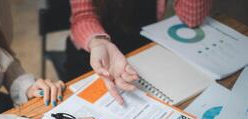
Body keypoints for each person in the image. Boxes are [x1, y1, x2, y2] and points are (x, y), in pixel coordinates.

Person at [63, 0, 213, 105]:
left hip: (142, 49)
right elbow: (83, 15)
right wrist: (98, 42)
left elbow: (192, 19)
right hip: (93, 54)